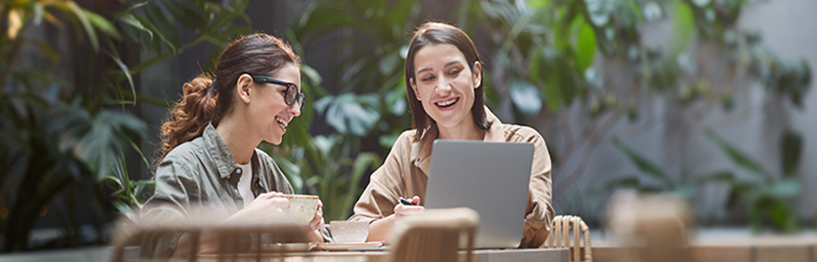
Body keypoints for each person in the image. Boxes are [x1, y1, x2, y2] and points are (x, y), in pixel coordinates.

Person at [348, 21, 554, 248]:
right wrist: (399, 222)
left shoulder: (524, 142)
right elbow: (356, 231)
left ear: (476, 75)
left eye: (453, 72)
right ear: (416, 89)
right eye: (428, 78)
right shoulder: (407, 148)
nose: (443, 88)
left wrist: (509, 181)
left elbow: (540, 231)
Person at [140, 33, 324, 257]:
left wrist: (308, 232)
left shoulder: (268, 172)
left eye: (298, 99)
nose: (295, 110)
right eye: (288, 94)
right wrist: (244, 224)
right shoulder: (184, 166)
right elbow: (161, 252)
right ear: (246, 88)